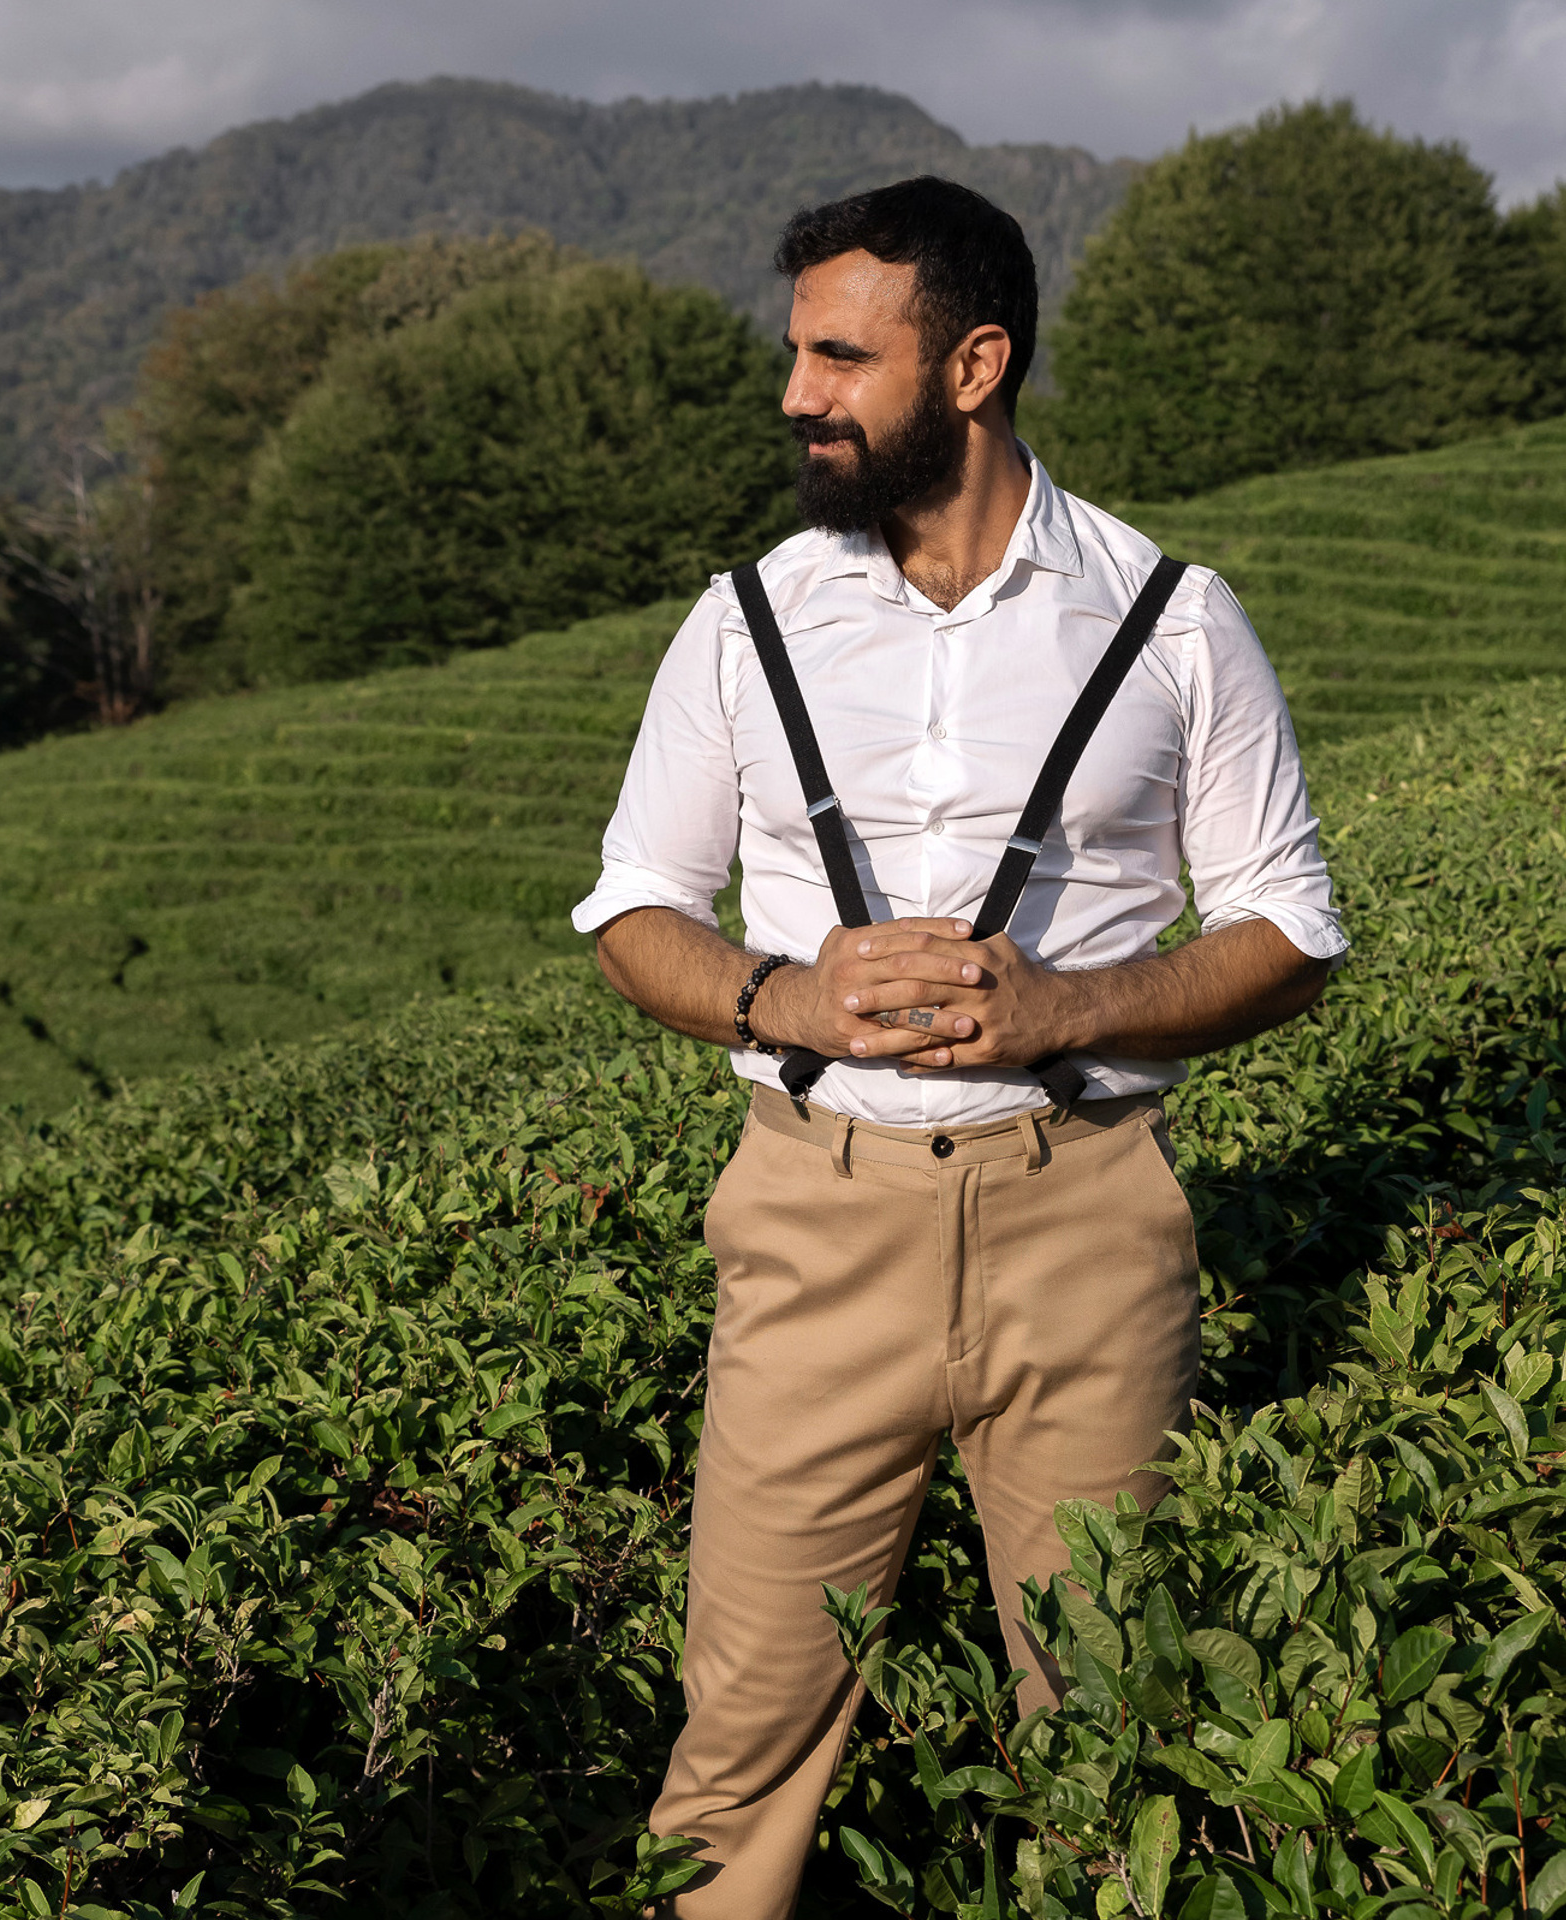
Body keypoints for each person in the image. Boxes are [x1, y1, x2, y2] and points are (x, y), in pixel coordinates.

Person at [570, 175, 1347, 1919]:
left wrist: (1070, 1007)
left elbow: (1293, 929)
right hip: (813, 1220)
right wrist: (790, 995)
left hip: (1086, 1221)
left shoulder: (1172, 618)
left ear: (975, 363)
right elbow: (634, 913)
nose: (798, 394)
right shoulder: (746, 620)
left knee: (1117, 1737)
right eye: (797, 353)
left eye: (841, 357)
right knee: (743, 1745)